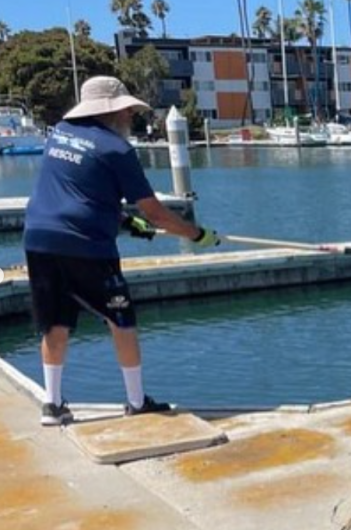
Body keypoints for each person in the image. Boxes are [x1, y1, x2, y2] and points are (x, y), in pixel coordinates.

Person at [24, 76, 221, 426]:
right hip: (86, 244)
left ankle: (52, 406)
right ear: (111, 113)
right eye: (127, 111)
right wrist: (197, 234)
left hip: (38, 238)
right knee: (121, 320)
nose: (131, 117)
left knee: (55, 322)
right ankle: (136, 401)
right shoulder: (117, 149)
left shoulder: (58, 135)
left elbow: (81, 191)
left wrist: (127, 223)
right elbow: (156, 212)